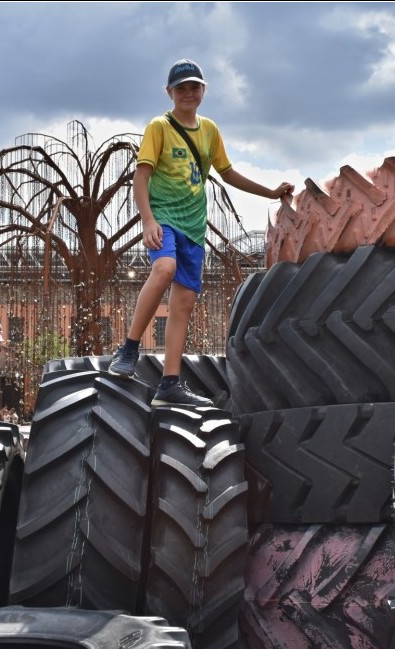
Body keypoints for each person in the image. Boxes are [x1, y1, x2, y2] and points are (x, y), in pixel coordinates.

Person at [108, 58, 294, 406]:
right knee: (164, 269)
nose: (189, 93)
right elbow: (141, 176)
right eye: (181, 88)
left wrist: (270, 192)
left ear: (203, 90)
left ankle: (170, 383)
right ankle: (129, 348)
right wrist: (147, 220)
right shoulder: (159, 127)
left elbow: (228, 173)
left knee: (184, 302)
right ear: (169, 93)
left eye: (195, 87)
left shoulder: (209, 130)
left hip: (194, 226)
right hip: (164, 217)